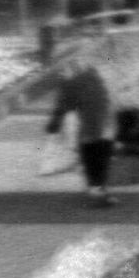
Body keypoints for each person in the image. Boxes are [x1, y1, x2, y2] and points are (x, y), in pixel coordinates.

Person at [43, 35, 118, 208]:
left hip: (96, 115)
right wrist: (57, 119)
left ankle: (97, 189)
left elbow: (65, 101)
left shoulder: (77, 69)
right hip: (96, 116)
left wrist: (56, 120)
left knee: (97, 150)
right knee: (98, 150)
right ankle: (97, 189)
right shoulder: (80, 69)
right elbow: (67, 99)